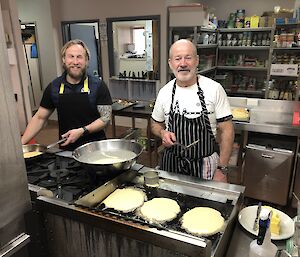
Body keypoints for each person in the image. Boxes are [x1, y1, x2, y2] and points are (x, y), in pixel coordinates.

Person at [151, 39, 234, 183]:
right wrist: (162, 133)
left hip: (205, 166)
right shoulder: (165, 92)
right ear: (170, 63)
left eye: (188, 58)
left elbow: (227, 131)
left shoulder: (214, 89)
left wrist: (222, 169)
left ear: (196, 61)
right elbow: (155, 124)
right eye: (178, 59)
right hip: (171, 164)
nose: (183, 64)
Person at [21, 39, 113, 151]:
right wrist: (20, 144)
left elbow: (105, 118)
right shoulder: (54, 87)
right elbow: (40, 118)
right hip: (67, 149)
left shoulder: (98, 86)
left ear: (86, 60)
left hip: (96, 148)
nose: (75, 62)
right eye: (71, 56)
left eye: (79, 57)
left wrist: (82, 130)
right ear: (64, 59)